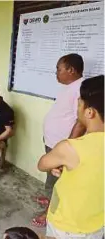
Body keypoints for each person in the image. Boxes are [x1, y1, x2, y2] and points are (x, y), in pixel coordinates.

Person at [38, 75, 104, 239]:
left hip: (66, 224)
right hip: (96, 221)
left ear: (90, 111)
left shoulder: (71, 148)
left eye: (79, 101)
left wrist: (58, 162)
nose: (77, 105)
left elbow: (42, 163)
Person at [33, 54, 86, 227]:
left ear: (70, 70)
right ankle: (49, 200)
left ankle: (50, 214)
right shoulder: (69, 87)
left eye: (58, 69)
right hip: (54, 142)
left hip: (62, 145)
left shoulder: (80, 89)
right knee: (52, 176)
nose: (56, 72)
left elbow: (81, 122)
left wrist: (68, 147)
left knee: (59, 182)